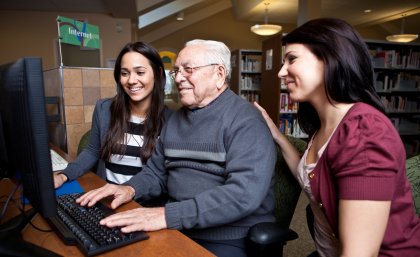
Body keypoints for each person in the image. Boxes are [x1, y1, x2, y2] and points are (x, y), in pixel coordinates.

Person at [76, 39, 277, 257]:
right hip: (177, 224)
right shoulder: (176, 119)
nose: (179, 78)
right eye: (177, 71)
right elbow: (156, 172)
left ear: (219, 74)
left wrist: (167, 216)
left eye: (188, 69)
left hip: (228, 237)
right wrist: (130, 189)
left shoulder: (246, 121)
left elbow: (243, 194)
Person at [254, 18, 420, 257]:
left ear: (330, 57)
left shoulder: (364, 132)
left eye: (292, 59)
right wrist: (277, 134)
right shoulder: (326, 124)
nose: (281, 72)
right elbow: (309, 176)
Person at [54, 42, 172, 207]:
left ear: (158, 73)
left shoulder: (171, 120)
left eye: (140, 72)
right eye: (124, 73)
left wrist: (127, 190)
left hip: (143, 206)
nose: (131, 80)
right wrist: (64, 175)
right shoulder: (104, 109)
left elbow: (161, 176)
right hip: (106, 199)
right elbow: (92, 151)